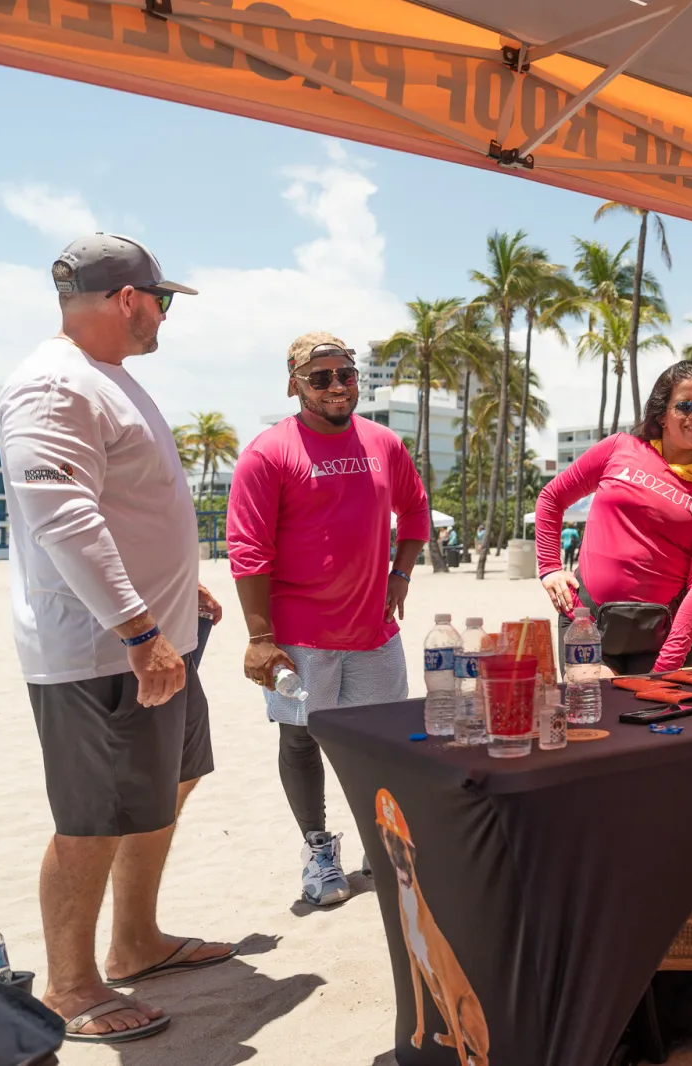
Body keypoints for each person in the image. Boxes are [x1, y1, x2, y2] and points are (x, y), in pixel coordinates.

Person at [0, 234, 234, 1043]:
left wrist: (176, 590)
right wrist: (138, 626)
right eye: (162, 299)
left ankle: (137, 939)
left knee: (174, 779)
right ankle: (70, 984)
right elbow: (63, 518)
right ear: (129, 298)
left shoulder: (109, 380)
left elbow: (130, 506)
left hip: (161, 633)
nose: (166, 313)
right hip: (104, 650)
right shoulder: (51, 384)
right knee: (91, 818)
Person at [227, 332, 429, 906]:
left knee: (383, 740)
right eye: (322, 378)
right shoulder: (268, 452)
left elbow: (414, 511)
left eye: (347, 374)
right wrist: (260, 638)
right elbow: (247, 549)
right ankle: (318, 850)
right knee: (301, 738)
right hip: (299, 635)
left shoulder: (383, 442)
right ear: (295, 384)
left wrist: (402, 574)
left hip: (373, 629)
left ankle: (379, 838)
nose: (338, 386)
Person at [535, 360, 692, 674]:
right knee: (593, 714)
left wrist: (664, 669)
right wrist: (549, 568)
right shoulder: (619, 448)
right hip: (584, 619)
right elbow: (551, 498)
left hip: (660, 639)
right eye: (685, 406)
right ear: (661, 415)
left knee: (650, 719)